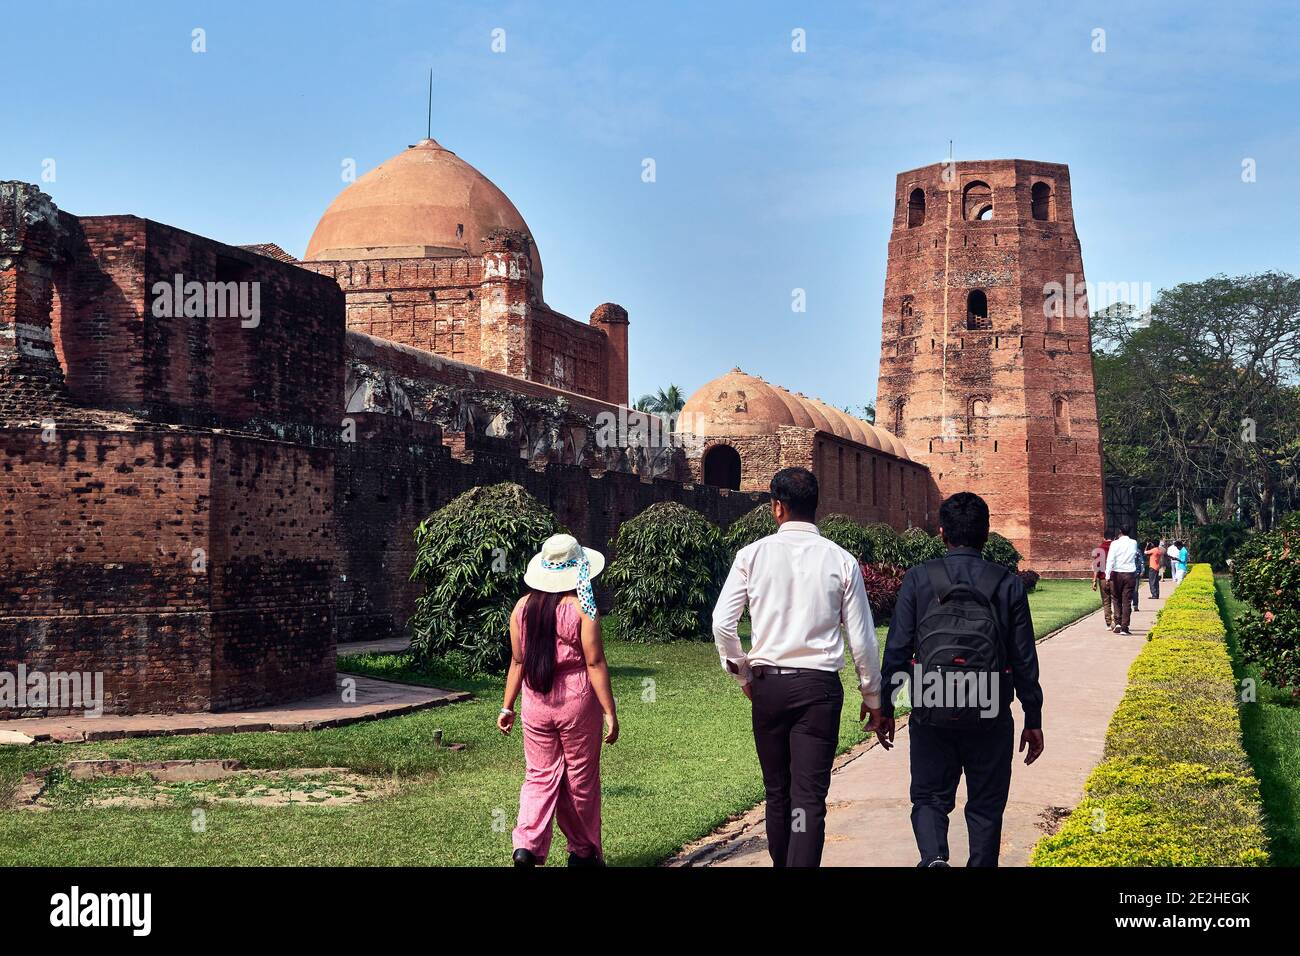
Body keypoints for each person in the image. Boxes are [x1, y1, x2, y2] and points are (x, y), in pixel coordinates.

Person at [712, 467, 883, 867]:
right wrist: (872, 696)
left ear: (777, 507)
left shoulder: (751, 555)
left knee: (777, 792)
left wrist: (741, 672)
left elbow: (723, 622)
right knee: (807, 798)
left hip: (769, 685)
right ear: (815, 507)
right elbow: (862, 639)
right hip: (818, 690)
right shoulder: (841, 560)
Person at [877, 492, 1045, 867]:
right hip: (989, 705)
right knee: (986, 805)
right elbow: (1023, 660)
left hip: (931, 701)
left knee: (929, 797)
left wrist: (885, 705)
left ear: (941, 533)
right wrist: (1033, 719)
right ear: (986, 534)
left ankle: (934, 858)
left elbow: (898, 649)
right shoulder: (1007, 584)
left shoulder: (920, 578)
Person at [498, 533, 619, 867]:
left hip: (535, 702)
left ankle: (526, 846)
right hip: (577, 702)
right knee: (579, 778)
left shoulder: (522, 608)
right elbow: (594, 662)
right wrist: (610, 711)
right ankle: (583, 852)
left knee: (539, 775)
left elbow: (518, 662)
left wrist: (507, 706)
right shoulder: (583, 608)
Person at [1104, 526, 1140, 635]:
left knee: (1116, 599)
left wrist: (1107, 575)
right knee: (1127, 601)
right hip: (1129, 573)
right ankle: (1125, 627)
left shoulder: (1115, 544)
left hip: (1117, 573)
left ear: (1119, 532)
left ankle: (1118, 622)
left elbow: (1110, 559)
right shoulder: (1133, 542)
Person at [1091, 535, 1113, 630]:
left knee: (1106, 601)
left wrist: (1094, 580)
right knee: (1116, 600)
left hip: (1103, 578)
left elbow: (1097, 566)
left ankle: (1109, 623)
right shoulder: (1115, 548)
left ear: (1104, 538)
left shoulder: (1100, 549)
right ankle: (1117, 621)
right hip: (1114, 578)